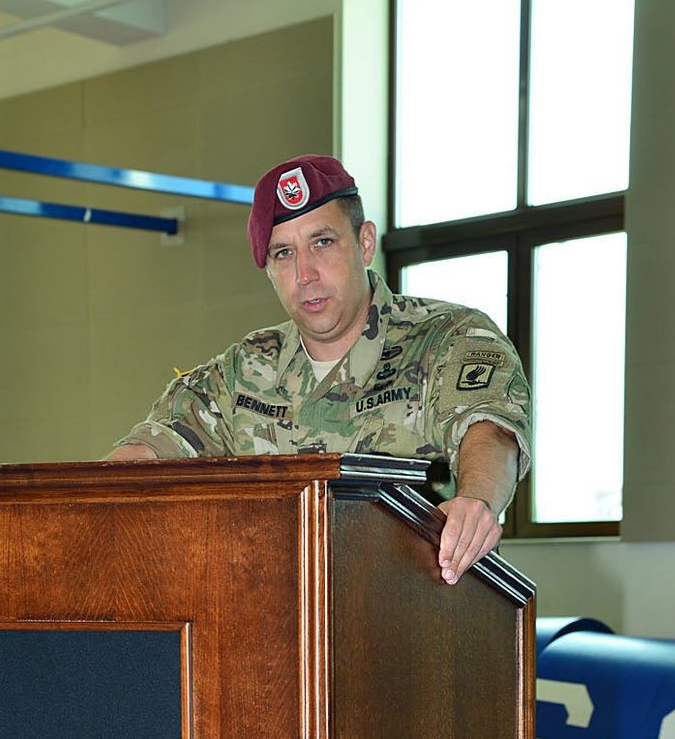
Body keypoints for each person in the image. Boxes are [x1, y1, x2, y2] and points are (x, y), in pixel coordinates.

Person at [107, 155, 530, 585]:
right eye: (284, 253)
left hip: (417, 614)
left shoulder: (447, 338)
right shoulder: (241, 372)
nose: (304, 273)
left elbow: (489, 429)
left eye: (322, 242)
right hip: (282, 625)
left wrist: (476, 500)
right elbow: (144, 454)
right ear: (269, 270)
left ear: (364, 242)